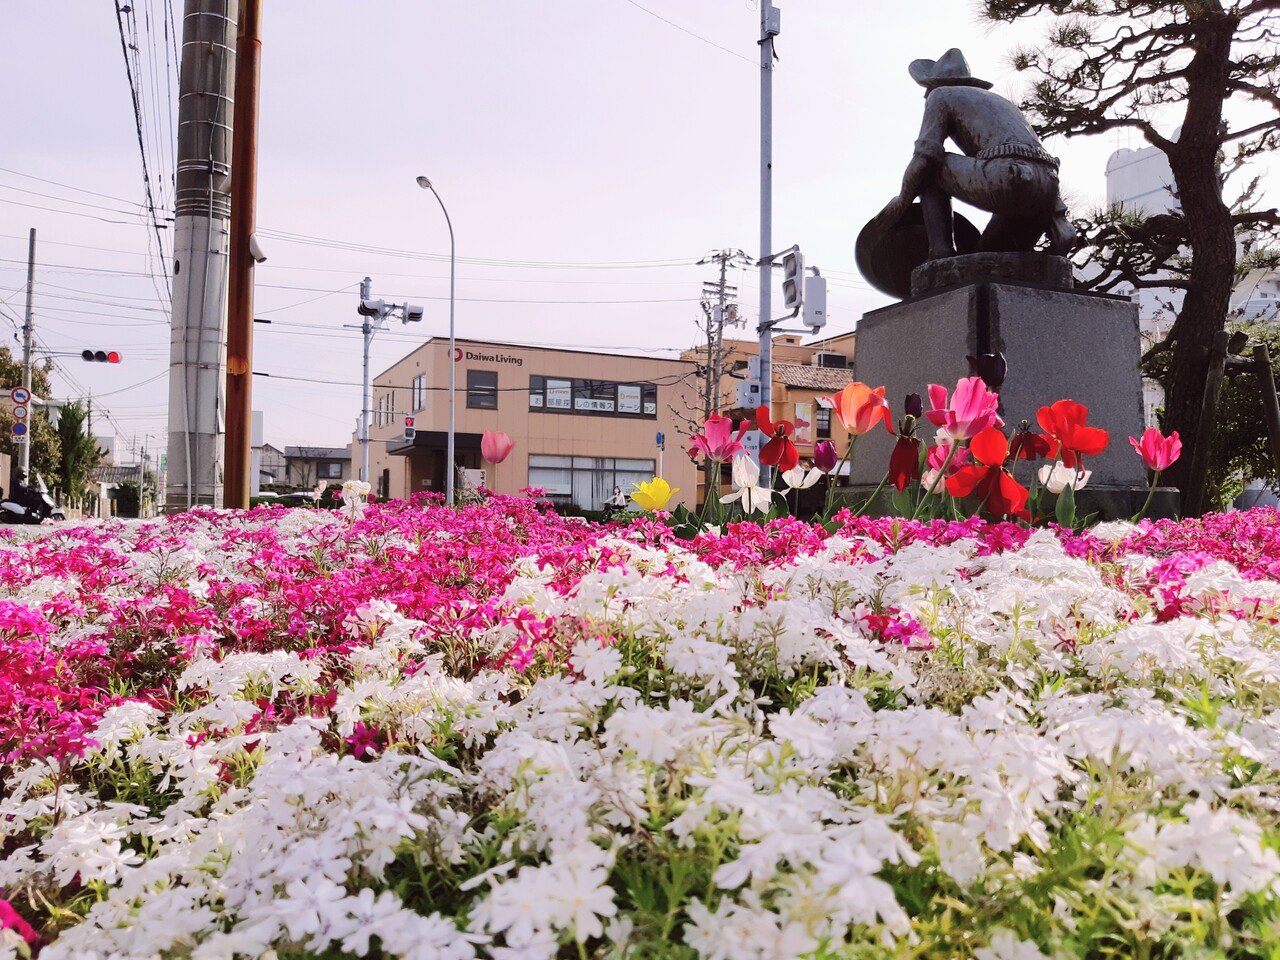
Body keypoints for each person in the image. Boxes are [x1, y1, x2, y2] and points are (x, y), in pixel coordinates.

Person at [873, 48, 1076, 261]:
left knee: (928, 167)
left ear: (933, 85)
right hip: (1048, 189)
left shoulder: (940, 94)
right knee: (988, 257)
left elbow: (925, 157)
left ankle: (940, 254)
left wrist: (901, 202)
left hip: (1006, 177)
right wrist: (1056, 210)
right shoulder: (1005, 103)